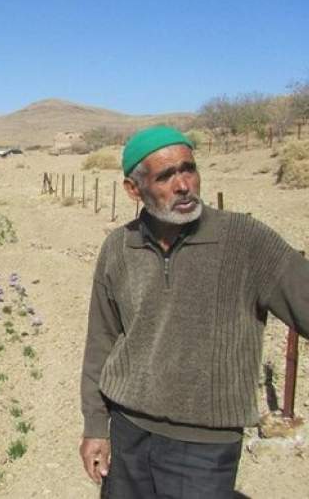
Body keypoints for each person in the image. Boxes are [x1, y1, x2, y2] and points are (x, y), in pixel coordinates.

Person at [79, 125, 309, 498]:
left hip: (204, 447)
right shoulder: (119, 248)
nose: (183, 185)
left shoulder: (244, 240)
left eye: (188, 169)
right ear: (133, 189)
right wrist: (95, 425)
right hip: (127, 433)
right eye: (166, 176)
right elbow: (101, 343)